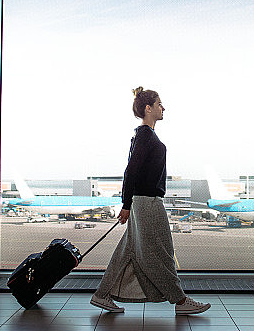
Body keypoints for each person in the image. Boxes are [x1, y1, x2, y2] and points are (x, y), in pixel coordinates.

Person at [90, 87, 211, 315]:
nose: (163, 108)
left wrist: (129, 203)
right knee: (161, 250)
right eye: (159, 104)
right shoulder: (145, 135)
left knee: (128, 251)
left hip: (144, 201)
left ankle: (101, 295)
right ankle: (180, 300)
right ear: (148, 108)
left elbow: (133, 171)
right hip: (146, 202)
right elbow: (131, 171)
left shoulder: (146, 135)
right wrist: (126, 205)